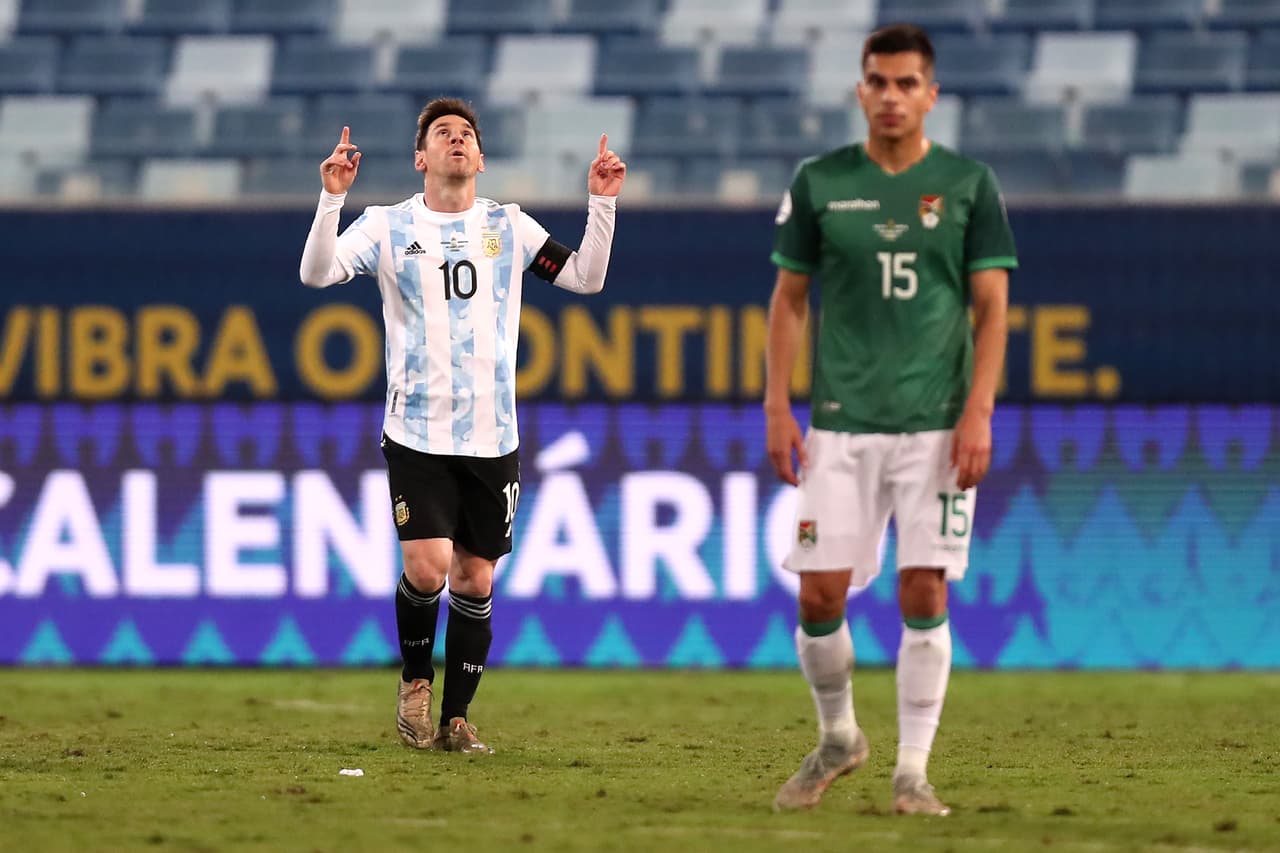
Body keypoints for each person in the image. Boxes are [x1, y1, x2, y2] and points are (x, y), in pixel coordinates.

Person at [300, 97, 626, 753]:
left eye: (467, 134)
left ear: (480, 158)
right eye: (443, 133)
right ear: (421, 158)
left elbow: (586, 278)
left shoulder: (509, 225)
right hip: (416, 431)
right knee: (427, 568)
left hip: (492, 436)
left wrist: (602, 203)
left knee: (475, 579)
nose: (457, 139)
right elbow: (317, 272)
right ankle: (415, 682)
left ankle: (456, 719)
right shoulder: (387, 225)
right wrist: (332, 198)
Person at [765, 24, 1017, 815]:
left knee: (923, 586)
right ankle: (840, 736)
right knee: (817, 595)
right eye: (878, 81)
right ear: (860, 90)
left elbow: (993, 308)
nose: (892, 96)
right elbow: (789, 299)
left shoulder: (969, 185)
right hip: (840, 424)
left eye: (908, 83)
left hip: (936, 425)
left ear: (931, 95)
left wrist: (979, 411)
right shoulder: (820, 182)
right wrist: (776, 403)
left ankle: (912, 771)